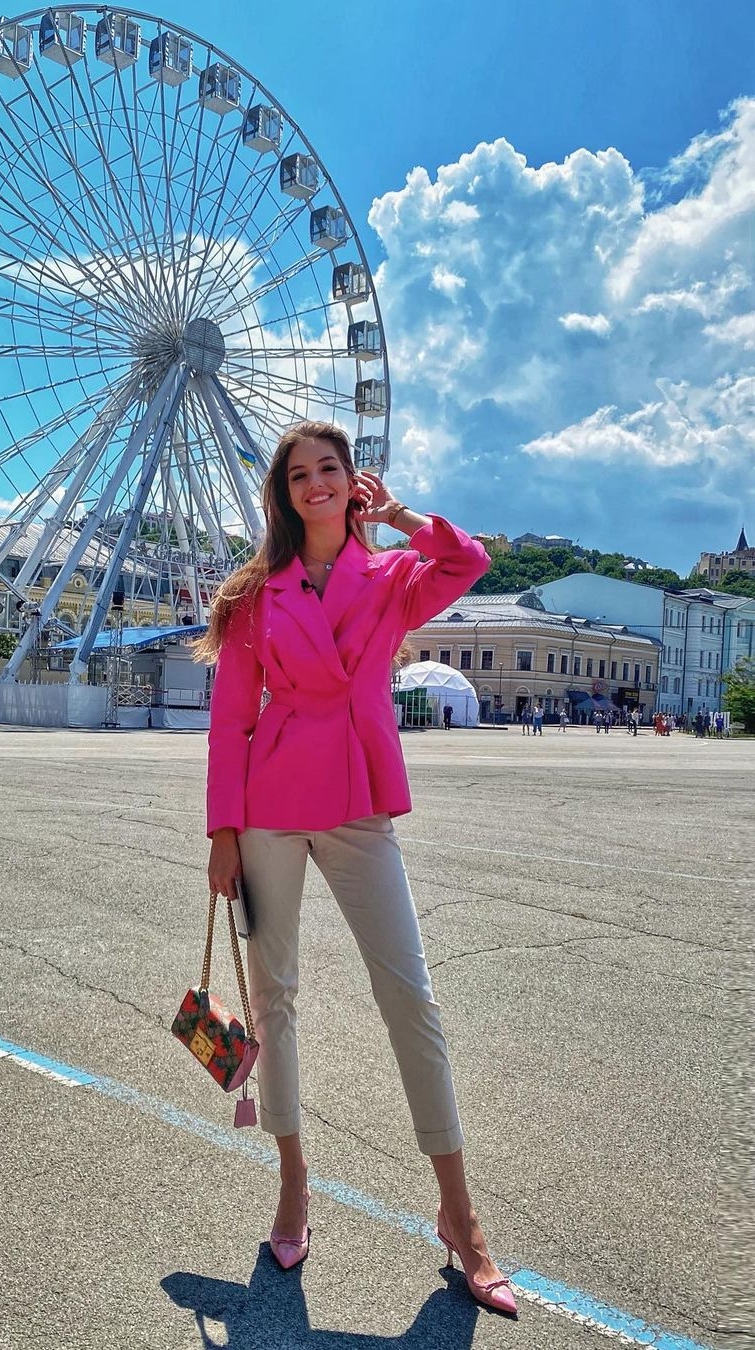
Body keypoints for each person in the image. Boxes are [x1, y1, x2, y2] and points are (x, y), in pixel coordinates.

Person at [198, 421, 515, 1315]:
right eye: (299, 474)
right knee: (274, 998)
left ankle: (460, 1214)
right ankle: (293, 1182)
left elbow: (468, 561)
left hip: (359, 798)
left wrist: (402, 514)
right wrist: (222, 830)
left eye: (329, 469)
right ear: (284, 492)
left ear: (352, 481)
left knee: (410, 996)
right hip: (269, 802)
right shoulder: (255, 594)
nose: (316, 484)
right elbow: (230, 718)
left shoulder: (394, 577)